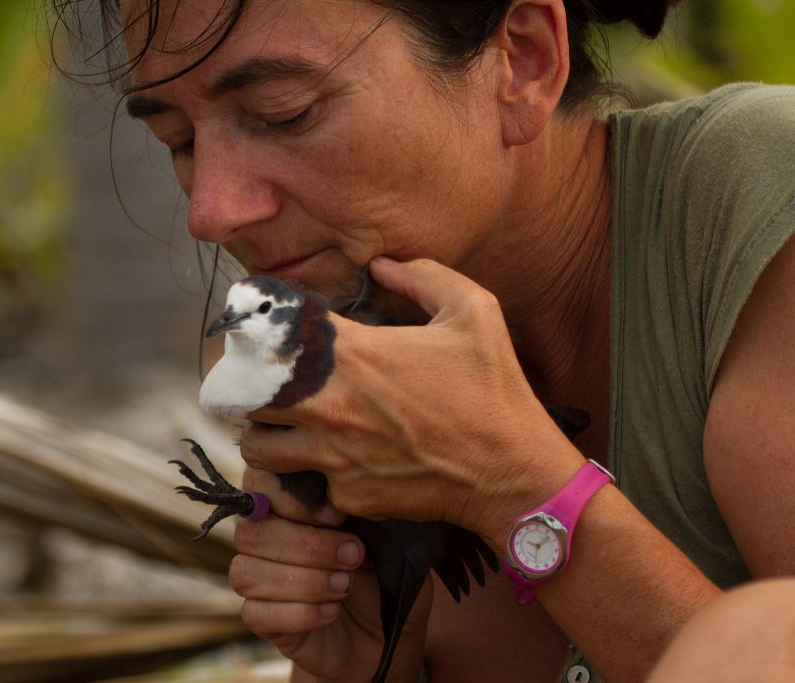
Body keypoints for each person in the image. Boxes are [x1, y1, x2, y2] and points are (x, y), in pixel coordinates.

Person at [57, 0, 795, 680]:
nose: (211, 211)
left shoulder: (754, 205)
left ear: (523, 61)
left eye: (284, 113)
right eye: (178, 141)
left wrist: (513, 485)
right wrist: (368, 670)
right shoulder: (353, 403)